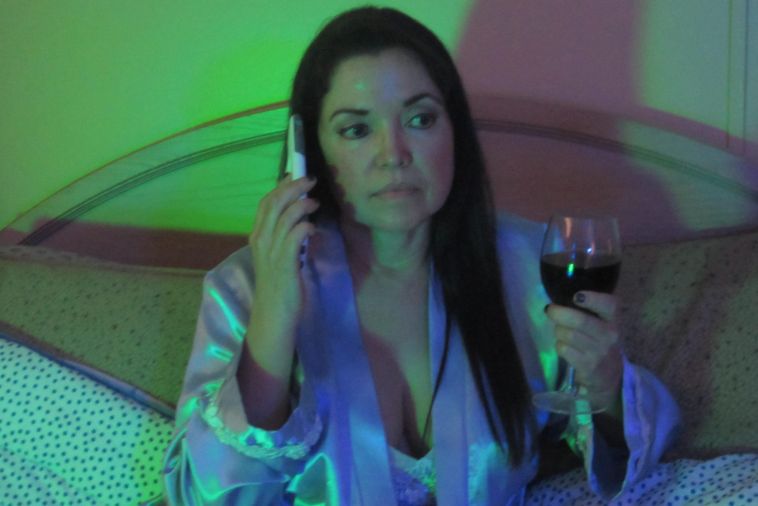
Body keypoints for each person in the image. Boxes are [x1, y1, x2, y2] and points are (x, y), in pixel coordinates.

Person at [162, 7, 680, 505]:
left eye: (419, 118)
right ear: (312, 150)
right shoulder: (243, 289)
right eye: (356, 129)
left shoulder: (527, 266)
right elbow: (203, 497)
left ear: (454, 130)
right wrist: (275, 314)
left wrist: (607, 383)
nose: (394, 154)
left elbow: (623, 448)